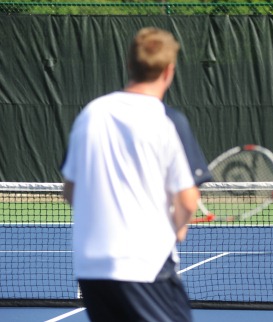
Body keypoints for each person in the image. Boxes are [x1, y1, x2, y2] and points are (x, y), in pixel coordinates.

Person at [61, 27, 200, 321]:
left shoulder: (90, 114)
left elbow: (70, 191)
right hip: (145, 267)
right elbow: (188, 200)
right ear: (168, 70)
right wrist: (179, 226)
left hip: (91, 271)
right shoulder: (168, 120)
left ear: (129, 64)